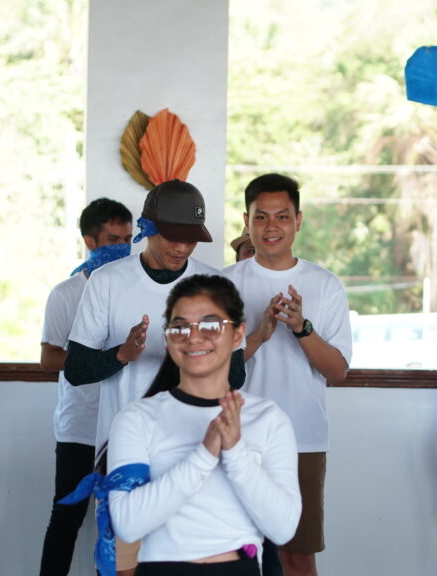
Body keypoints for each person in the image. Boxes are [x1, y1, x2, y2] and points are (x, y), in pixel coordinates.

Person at [64, 180, 233, 576]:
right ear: (148, 227)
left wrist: (194, 353)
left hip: (194, 451)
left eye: (192, 240)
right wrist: (122, 355)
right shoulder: (107, 281)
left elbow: (236, 374)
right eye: (173, 237)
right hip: (123, 453)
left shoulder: (215, 286)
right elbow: (75, 370)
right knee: (121, 566)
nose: (182, 248)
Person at [104, 274, 300, 576]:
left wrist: (235, 452)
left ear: (237, 335)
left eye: (210, 326)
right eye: (180, 327)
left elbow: (283, 529)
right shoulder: (136, 419)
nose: (193, 337)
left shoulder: (269, 419)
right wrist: (204, 454)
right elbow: (127, 524)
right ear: (169, 338)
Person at [222, 173, 352, 576]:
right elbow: (206, 370)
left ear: (299, 220)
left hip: (302, 439)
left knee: (297, 556)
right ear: (247, 221)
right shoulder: (223, 284)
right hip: (235, 435)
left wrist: (301, 328)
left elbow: (338, 372)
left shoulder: (325, 285)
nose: (271, 226)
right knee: (231, 552)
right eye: (261, 218)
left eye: (282, 216)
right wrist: (258, 336)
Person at [38, 198, 133, 576]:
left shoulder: (135, 287)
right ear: (90, 241)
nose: (123, 247)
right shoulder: (66, 293)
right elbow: (49, 359)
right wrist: (111, 357)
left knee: (121, 524)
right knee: (66, 519)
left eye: (128, 238)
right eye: (113, 238)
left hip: (124, 426)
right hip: (79, 426)